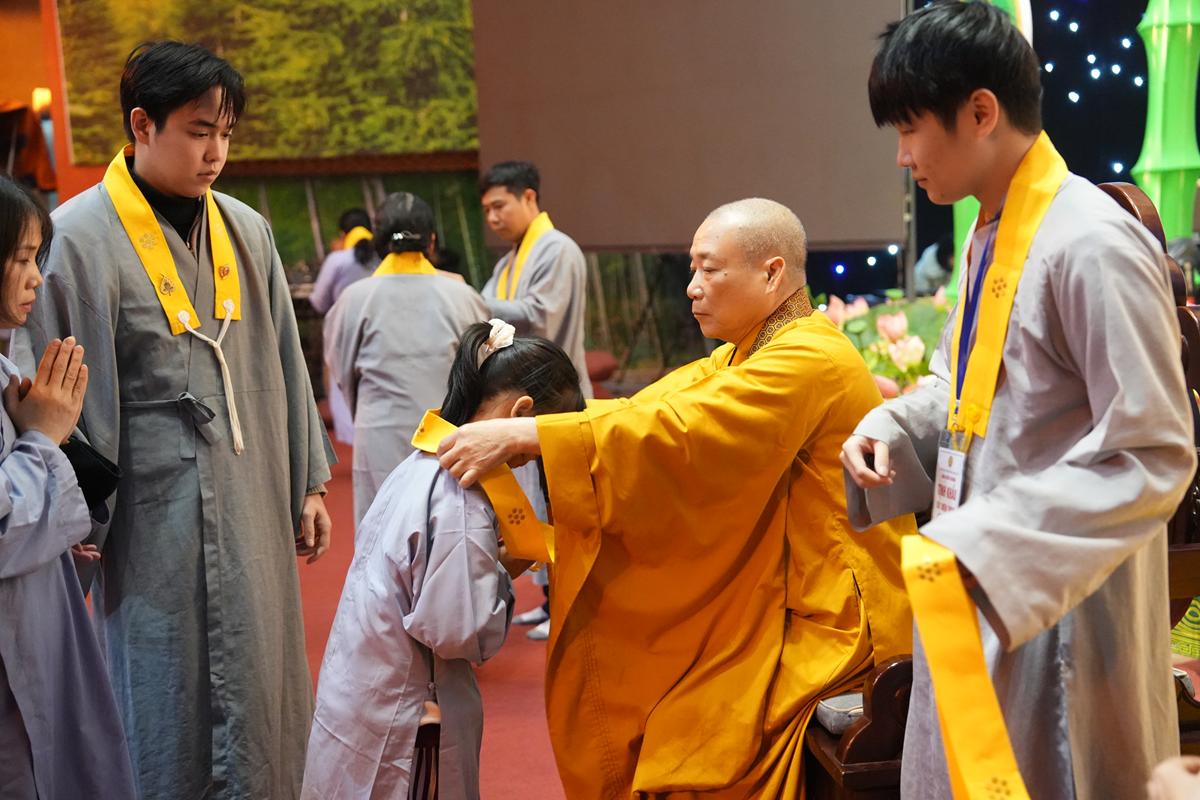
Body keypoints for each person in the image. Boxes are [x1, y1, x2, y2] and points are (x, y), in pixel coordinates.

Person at [437, 197, 913, 797]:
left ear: (772, 274)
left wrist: (527, 435)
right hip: (784, 594)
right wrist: (541, 434)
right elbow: (649, 409)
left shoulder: (810, 357)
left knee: (697, 736)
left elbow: (683, 431)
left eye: (709, 269)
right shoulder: (745, 354)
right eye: (692, 269)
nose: (692, 287)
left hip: (838, 616)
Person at [840, 4, 1195, 798]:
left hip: (1059, 604)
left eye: (910, 129)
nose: (902, 156)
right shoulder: (989, 233)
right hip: (975, 572)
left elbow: (1154, 448)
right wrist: (888, 426)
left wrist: (992, 542)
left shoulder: (1091, 241)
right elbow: (959, 387)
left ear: (980, 112)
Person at [11, 42, 335, 799]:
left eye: (225, 133)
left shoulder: (246, 230)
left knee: (261, 687)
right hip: (149, 519)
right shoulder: (76, 238)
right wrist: (73, 520)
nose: (215, 152)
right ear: (142, 125)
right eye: (198, 132)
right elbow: (51, 395)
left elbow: (285, 363)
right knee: (157, 690)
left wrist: (310, 482)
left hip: (252, 496)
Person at [302, 320, 585, 799]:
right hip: (407, 711)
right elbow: (458, 632)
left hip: (364, 686)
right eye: (536, 445)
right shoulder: (461, 498)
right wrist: (502, 574)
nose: (529, 460)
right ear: (521, 413)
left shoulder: (421, 461)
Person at [0, 175, 137, 799]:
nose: (36, 278)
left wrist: (57, 550)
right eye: (22, 258)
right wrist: (44, 437)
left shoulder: (7, 366)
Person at [325, 192, 489, 526]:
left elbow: (341, 371)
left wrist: (365, 410)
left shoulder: (353, 299)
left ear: (378, 242)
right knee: (449, 529)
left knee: (382, 529)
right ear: (432, 241)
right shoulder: (464, 296)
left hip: (379, 431)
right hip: (450, 434)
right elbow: (484, 371)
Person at [480, 160, 592, 399]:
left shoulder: (558, 249)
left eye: (498, 206)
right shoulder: (505, 264)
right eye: (487, 210)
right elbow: (482, 312)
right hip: (519, 390)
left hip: (558, 394)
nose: (492, 218)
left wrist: (466, 299)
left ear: (528, 197)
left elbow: (538, 318)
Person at [310, 208, 377, 445]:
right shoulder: (383, 256)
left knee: (341, 385)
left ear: (342, 233)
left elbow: (318, 301)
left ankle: (352, 440)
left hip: (343, 332)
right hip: (380, 328)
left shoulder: (337, 260)